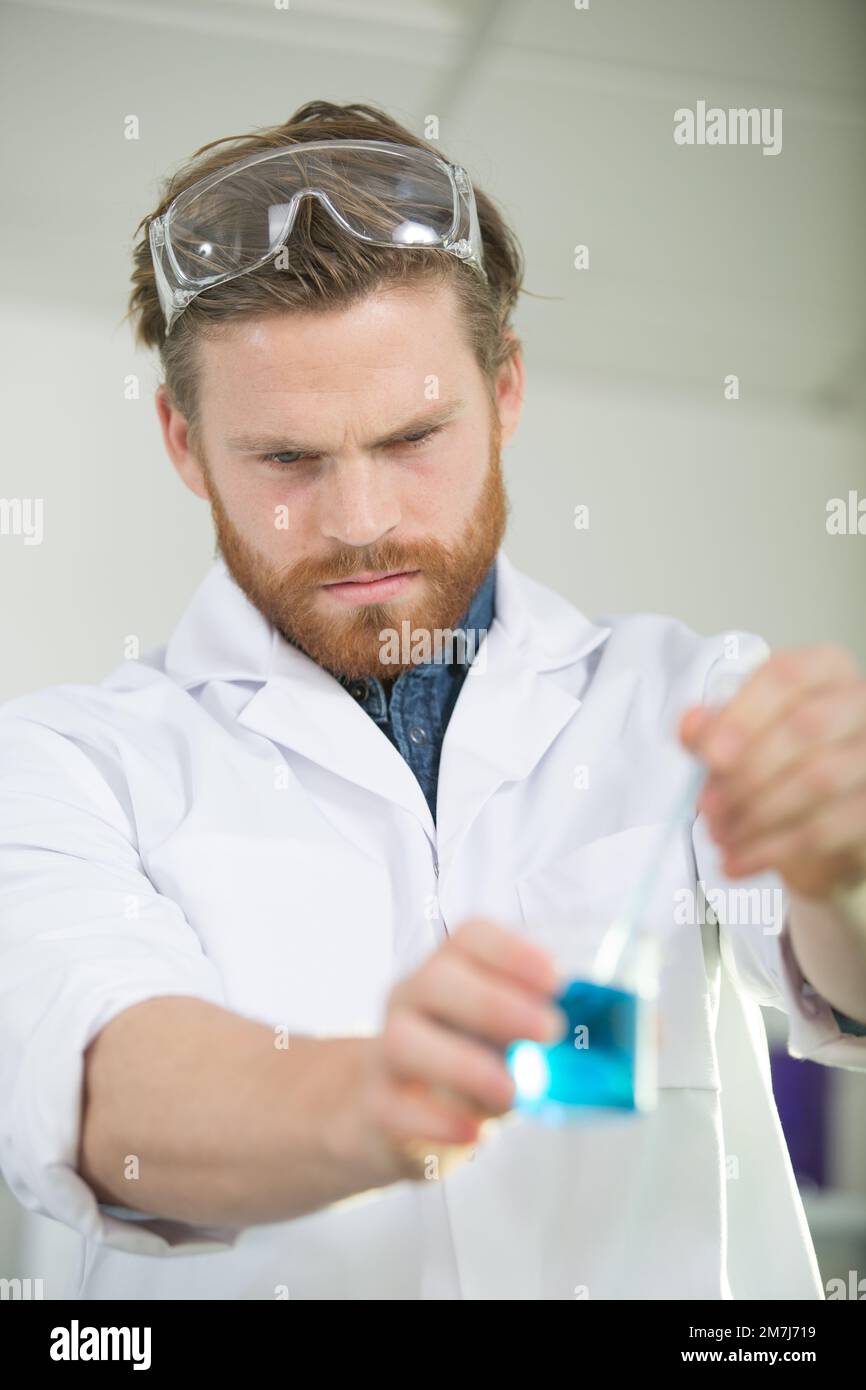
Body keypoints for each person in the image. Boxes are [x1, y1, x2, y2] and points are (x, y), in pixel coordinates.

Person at [1, 101, 864, 1301]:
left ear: (503, 391)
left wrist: (842, 872)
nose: (359, 522)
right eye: (286, 459)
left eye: (411, 436)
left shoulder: (684, 697)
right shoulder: (63, 763)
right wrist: (368, 1098)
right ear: (183, 445)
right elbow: (100, 1083)